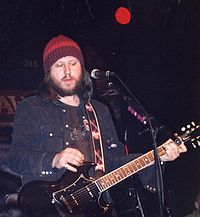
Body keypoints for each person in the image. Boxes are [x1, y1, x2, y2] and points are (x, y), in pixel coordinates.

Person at [4, 35, 187, 217]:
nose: (67, 71)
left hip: (95, 209)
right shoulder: (32, 107)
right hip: (47, 209)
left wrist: (157, 157)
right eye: (59, 65)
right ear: (48, 72)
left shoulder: (99, 110)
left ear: (82, 68)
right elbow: (15, 159)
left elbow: (114, 162)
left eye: (73, 63)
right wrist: (54, 159)